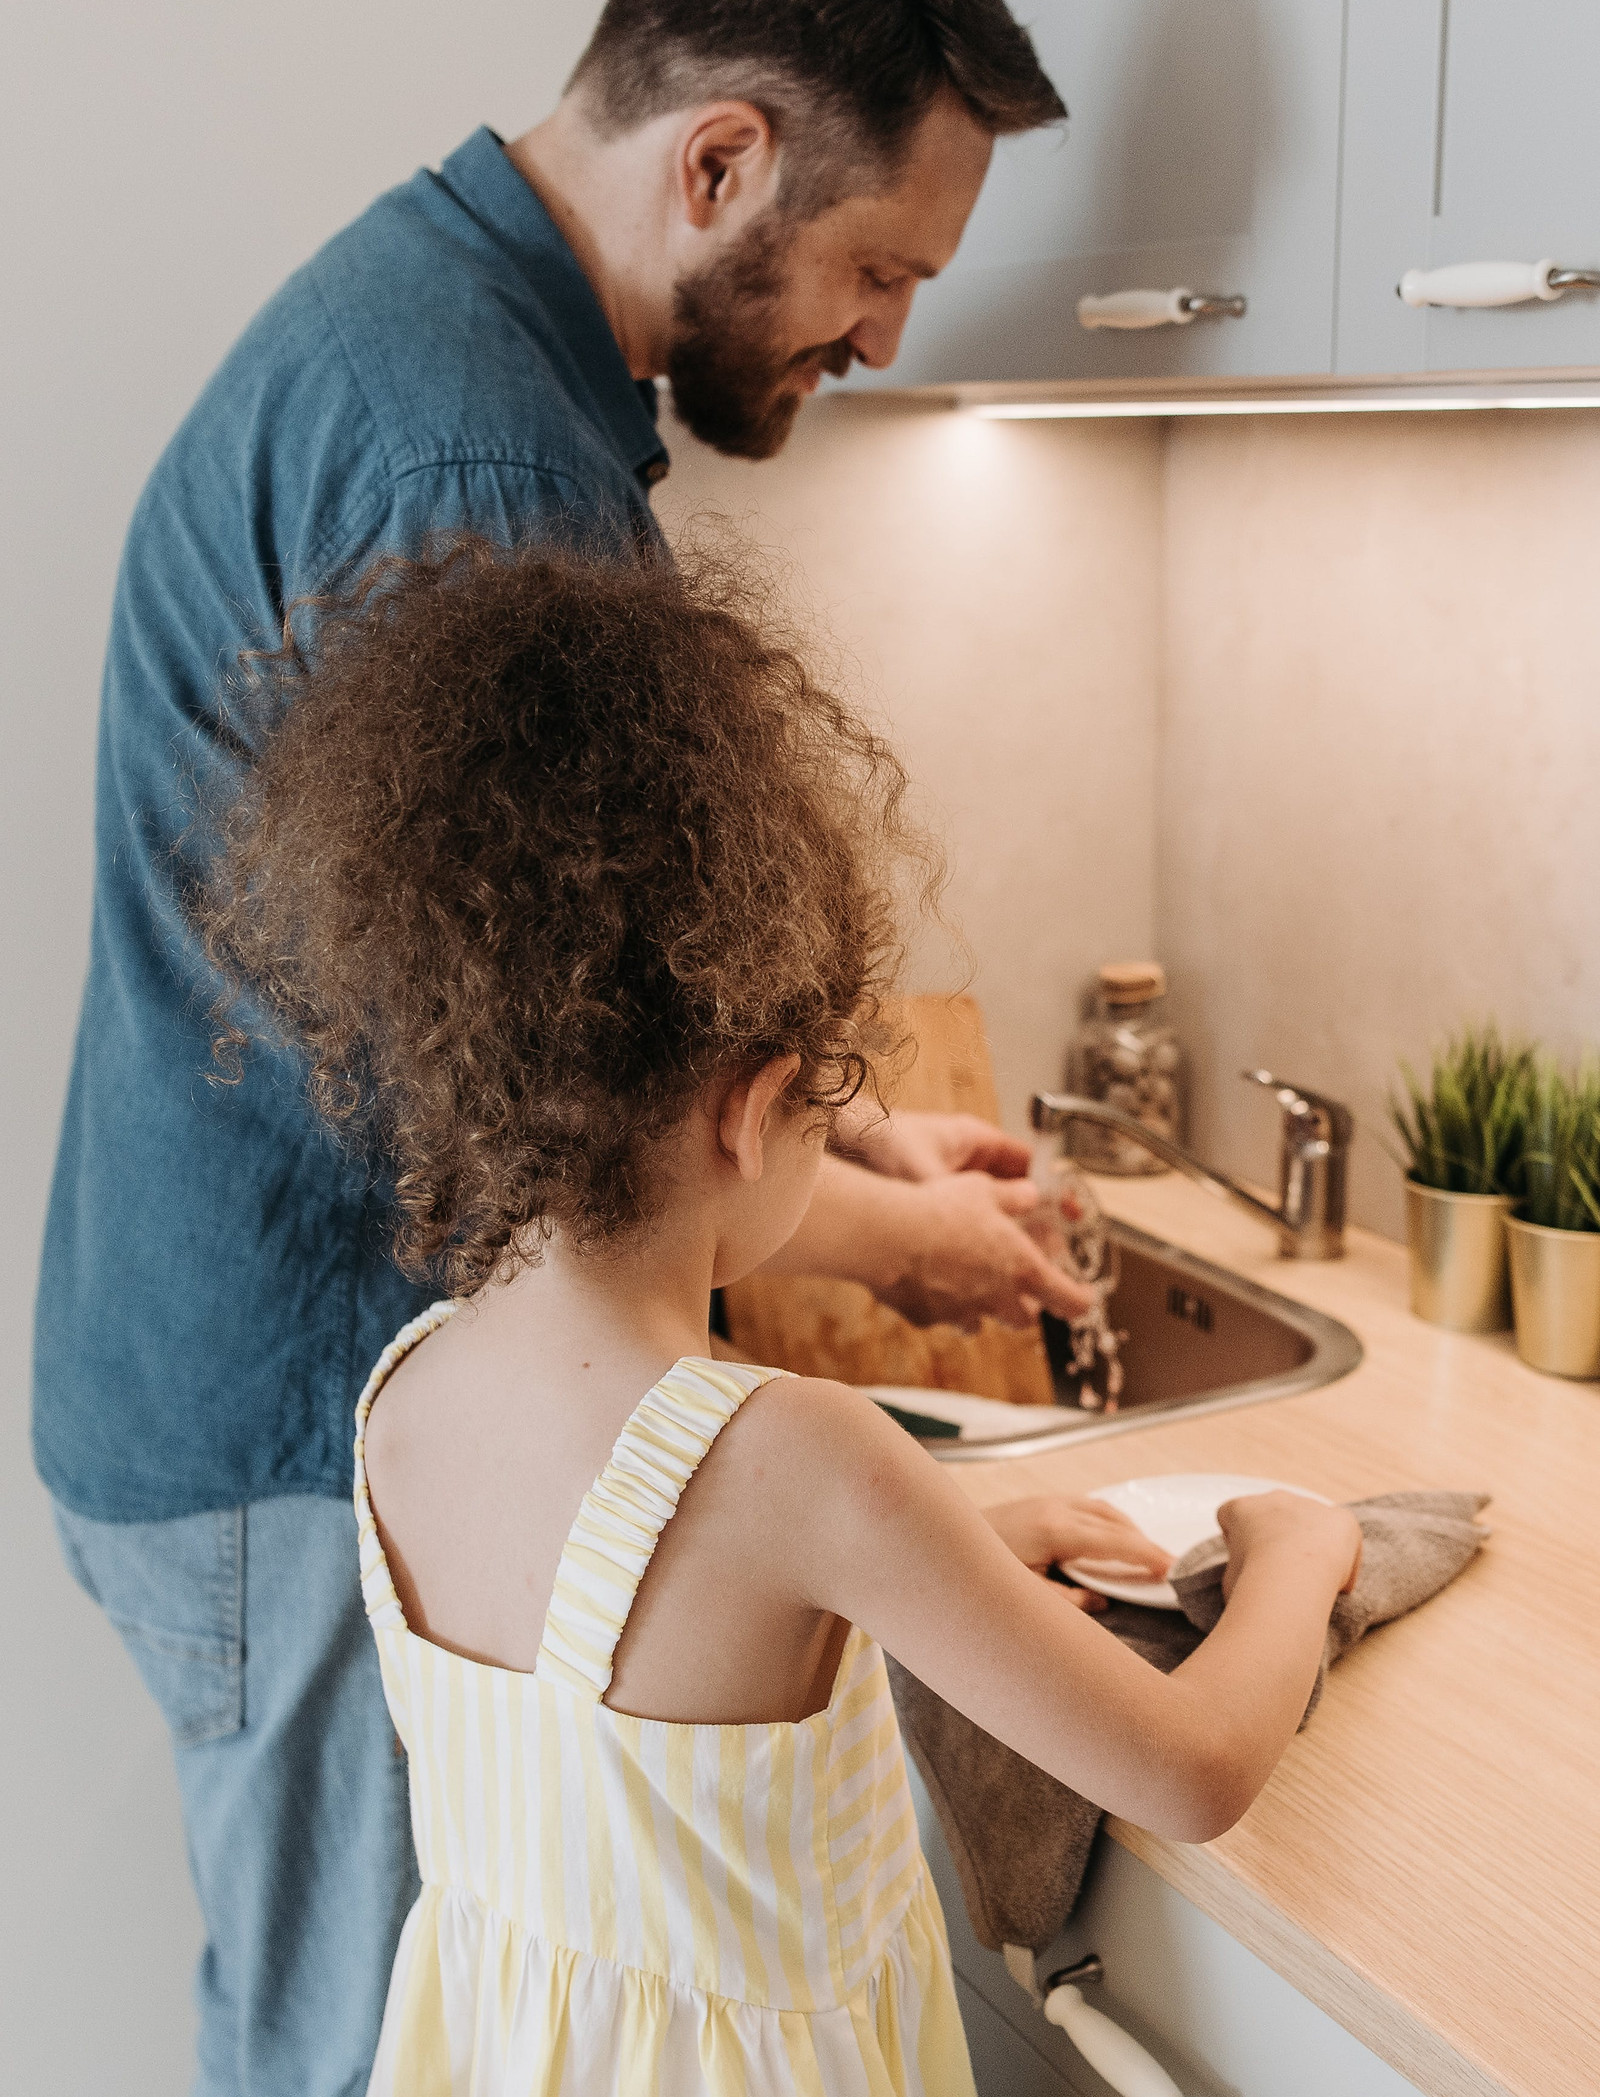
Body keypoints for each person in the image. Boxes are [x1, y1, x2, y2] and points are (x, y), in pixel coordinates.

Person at [36, 6, 1092, 2089]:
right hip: (288, 1418)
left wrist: (866, 1143)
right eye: (878, 266)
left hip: (240, 1384)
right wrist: (883, 1243)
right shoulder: (479, 463)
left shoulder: (446, 330)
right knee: (356, 2049)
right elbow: (566, 1064)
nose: (878, 336)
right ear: (715, 166)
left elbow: (577, 978)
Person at [198, 539, 1363, 2097]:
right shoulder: (802, 1458)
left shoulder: (406, 1393)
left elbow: (649, 1688)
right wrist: (1301, 1554)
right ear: (750, 1109)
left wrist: (962, 1556)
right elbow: (1193, 1766)